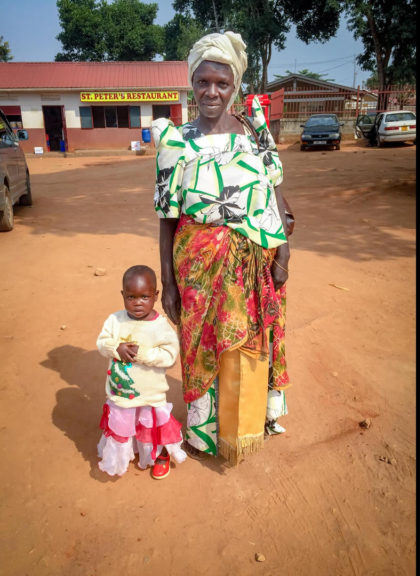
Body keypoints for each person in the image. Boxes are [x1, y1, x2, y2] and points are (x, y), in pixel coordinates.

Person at [151, 31, 295, 466]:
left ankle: (246, 427)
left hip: (253, 261)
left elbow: (274, 196)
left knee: (248, 346)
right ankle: (205, 435)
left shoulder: (254, 133)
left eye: (222, 83)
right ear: (191, 83)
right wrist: (169, 284)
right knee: (200, 347)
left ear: (235, 87)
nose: (212, 92)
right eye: (203, 82)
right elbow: (167, 219)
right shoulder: (174, 143)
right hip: (196, 263)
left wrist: (284, 255)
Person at [96, 265, 188, 479]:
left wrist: (143, 353)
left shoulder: (161, 327)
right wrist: (115, 349)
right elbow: (102, 343)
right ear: (123, 295)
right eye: (131, 297)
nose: (138, 302)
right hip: (121, 394)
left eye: (144, 297)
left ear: (155, 296)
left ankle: (161, 454)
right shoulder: (115, 320)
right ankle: (125, 453)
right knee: (124, 423)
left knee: (151, 427)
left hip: (149, 394)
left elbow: (169, 355)